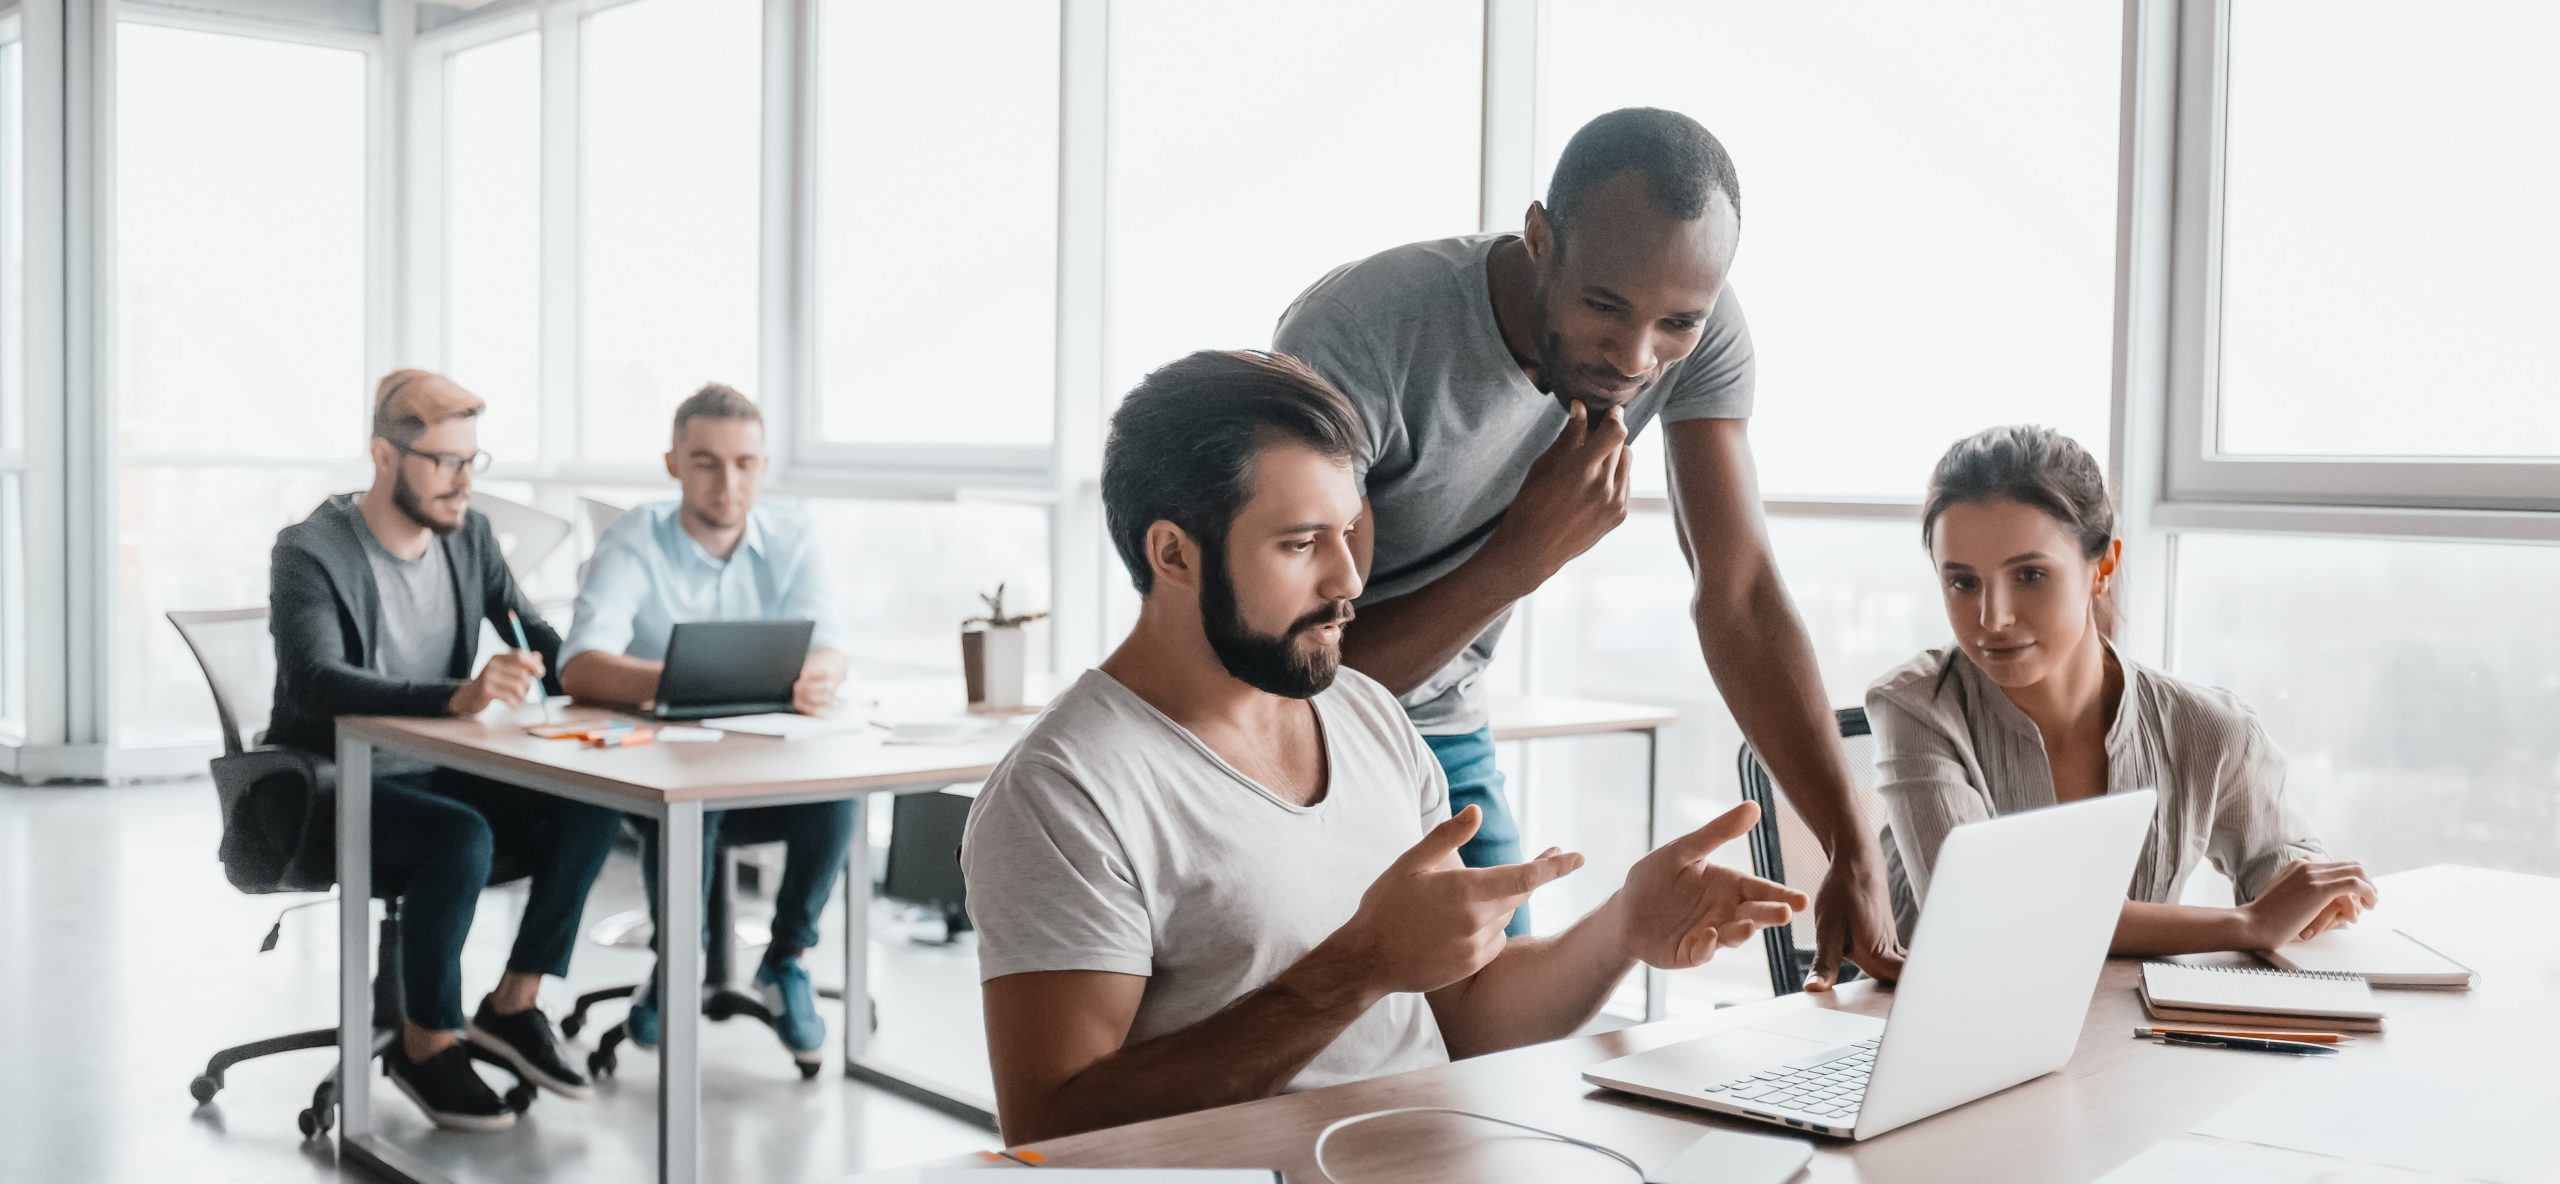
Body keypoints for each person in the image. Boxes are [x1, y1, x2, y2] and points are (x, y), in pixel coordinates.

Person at [961, 350, 1807, 1144]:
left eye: (1347, 531)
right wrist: (1357, 967)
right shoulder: (1065, 791)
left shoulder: (1365, 712)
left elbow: (1467, 1017)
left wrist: (1621, 928)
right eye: (1301, 544)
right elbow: (1052, 1130)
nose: (1348, 579)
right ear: (1173, 554)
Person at [1272, 106, 1900, 983]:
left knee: (1502, 1038)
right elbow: (1314, 675)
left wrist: (1850, 848)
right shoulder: (1363, 335)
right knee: (1331, 1037)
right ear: (1539, 237)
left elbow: (1743, 593)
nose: (1637, 356)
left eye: (1677, 323)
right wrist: (1523, 557)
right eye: (1605, 305)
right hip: (1291, 735)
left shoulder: (1698, 329)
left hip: (1445, 719)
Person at [1867, 424, 2378, 955]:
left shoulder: (2209, 729)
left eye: (2030, 576)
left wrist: (2299, 890)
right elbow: (1979, 910)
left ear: (2102, 567)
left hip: (2135, 1029)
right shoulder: (1915, 707)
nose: (1992, 618)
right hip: (1934, 1031)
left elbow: (2285, 865)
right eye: (1963, 582)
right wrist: (2245, 925)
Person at [267, 369, 620, 1132]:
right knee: (457, 837)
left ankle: (512, 1004)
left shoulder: (471, 540)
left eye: (473, 461)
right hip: (329, 784)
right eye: (445, 462)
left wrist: (623, 686)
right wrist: (454, 696)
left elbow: (536, 635)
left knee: (595, 796)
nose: (464, 484)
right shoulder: (311, 550)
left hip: (433, 769)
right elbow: (315, 681)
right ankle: (426, 1045)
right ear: (384, 457)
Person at [558, 383, 852, 1061]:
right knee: (692, 791)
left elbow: (830, 646)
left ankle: (786, 960)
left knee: (839, 785)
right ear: (672, 464)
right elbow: (579, 665)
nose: (728, 483)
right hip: (667, 772)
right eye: (706, 462)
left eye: (745, 463)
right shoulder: (637, 536)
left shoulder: (793, 535)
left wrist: (823, 673)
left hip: (770, 768)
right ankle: (677, 962)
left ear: (764, 466)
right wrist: (687, 684)